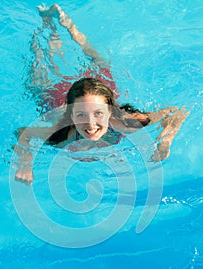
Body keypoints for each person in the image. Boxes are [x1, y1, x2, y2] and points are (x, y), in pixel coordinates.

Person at [14, 4, 189, 185]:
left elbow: (175, 112)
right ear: (71, 115)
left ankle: (67, 23)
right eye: (81, 115)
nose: (90, 124)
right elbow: (23, 133)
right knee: (40, 67)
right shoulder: (61, 131)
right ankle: (46, 21)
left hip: (98, 86)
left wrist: (165, 141)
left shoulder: (126, 124)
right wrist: (25, 164)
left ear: (109, 112)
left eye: (98, 114)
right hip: (58, 96)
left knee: (92, 55)